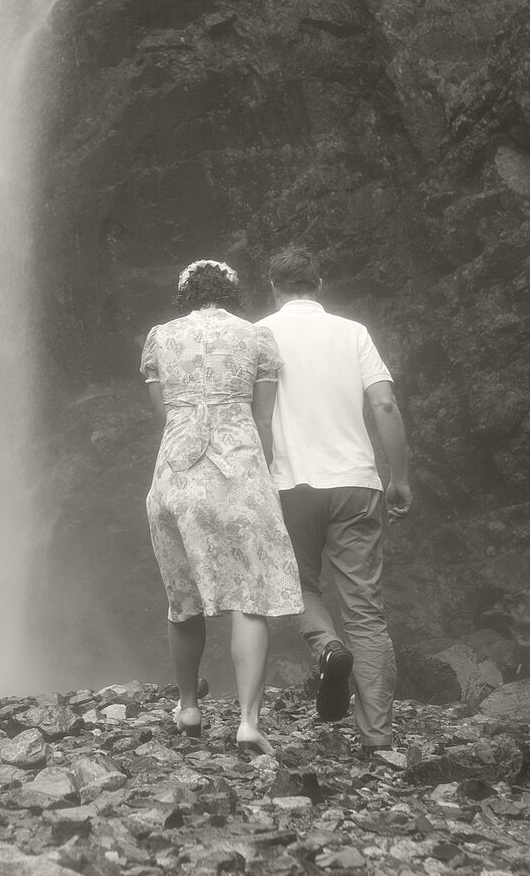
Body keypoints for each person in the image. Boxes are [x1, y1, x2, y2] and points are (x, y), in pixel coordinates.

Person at [141, 259, 303, 755]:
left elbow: (162, 413)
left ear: (185, 294)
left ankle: (189, 706)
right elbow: (263, 416)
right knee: (250, 597)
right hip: (239, 472)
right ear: (232, 293)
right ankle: (249, 721)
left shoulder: (160, 338)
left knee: (182, 599)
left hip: (177, 476)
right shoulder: (257, 338)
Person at [259, 245, 412, 754]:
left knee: (297, 583)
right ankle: (377, 736)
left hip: (290, 483)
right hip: (356, 483)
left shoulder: (260, 333)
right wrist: (400, 477)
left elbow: (253, 413)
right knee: (366, 611)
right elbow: (385, 403)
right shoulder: (353, 333)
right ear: (319, 285)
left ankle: (327, 647)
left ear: (274, 287)